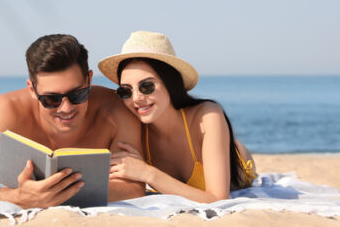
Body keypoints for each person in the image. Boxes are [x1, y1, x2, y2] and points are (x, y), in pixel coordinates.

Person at [0, 34, 145, 208]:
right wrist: (18, 196)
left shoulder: (116, 110)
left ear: (89, 80)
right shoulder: (5, 111)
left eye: (77, 94)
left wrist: (53, 194)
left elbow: (133, 189)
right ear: (32, 90)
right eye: (51, 99)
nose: (66, 108)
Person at [99, 31, 257, 203]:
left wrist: (147, 173)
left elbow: (218, 198)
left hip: (239, 163)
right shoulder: (133, 127)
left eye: (146, 86)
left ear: (169, 82)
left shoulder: (207, 116)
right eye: (126, 91)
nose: (136, 98)